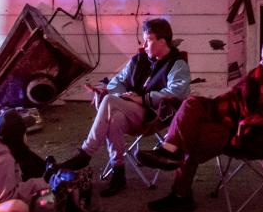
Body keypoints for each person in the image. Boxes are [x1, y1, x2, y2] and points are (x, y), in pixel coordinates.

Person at [137, 35, 263, 212]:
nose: (261, 64)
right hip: (230, 121)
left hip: (249, 134)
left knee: (193, 135)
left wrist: (235, 115)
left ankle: (179, 189)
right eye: (261, 59)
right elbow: (236, 96)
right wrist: (220, 107)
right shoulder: (261, 74)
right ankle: (171, 156)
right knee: (191, 105)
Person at [57, 17, 191, 197]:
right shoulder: (138, 60)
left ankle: (86, 153)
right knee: (115, 118)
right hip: (129, 110)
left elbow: (177, 92)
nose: (144, 45)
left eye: (148, 40)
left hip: (153, 114)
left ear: (162, 41)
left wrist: (142, 99)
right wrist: (124, 96)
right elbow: (116, 82)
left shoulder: (177, 63)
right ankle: (118, 172)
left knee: (109, 102)